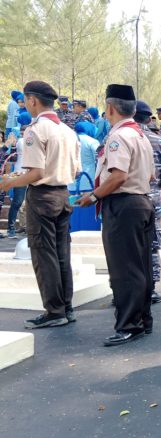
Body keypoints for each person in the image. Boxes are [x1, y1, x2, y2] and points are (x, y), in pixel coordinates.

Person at [77, 84, 156, 347]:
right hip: (141, 202)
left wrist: (94, 195)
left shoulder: (119, 136)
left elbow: (118, 175)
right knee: (141, 266)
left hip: (124, 205)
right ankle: (142, 320)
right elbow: (151, 175)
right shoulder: (141, 135)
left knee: (124, 269)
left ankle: (129, 325)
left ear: (110, 107)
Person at [0, 81, 81, 329]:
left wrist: (8, 184)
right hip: (62, 194)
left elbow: (35, 173)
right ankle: (65, 307)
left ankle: (54, 311)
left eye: (26, 100)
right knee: (61, 253)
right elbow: (76, 171)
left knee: (43, 254)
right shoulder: (67, 130)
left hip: (42, 196)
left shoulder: (35, 130)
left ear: (33, 100)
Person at [134, 101, 161, 304]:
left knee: (127, 248)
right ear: (149, 117)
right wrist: (156, 187)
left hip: (125, 202)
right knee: (151, 245)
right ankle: (151, 288)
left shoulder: (118, 137)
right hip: (152, 202)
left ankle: (126, 289)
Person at [4, 112, 33, 238]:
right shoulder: (24, 140)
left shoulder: (20, 138)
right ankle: (11, 228)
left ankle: (14, 228)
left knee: (19, 202)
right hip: (24, 174)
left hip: (21, 172)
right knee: (18, 202)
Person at [68, 121, 99, 193]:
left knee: (73, 203)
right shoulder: (92, 142)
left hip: (70, 182)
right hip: (88, 181)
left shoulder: (69, 140)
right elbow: (99, 160)